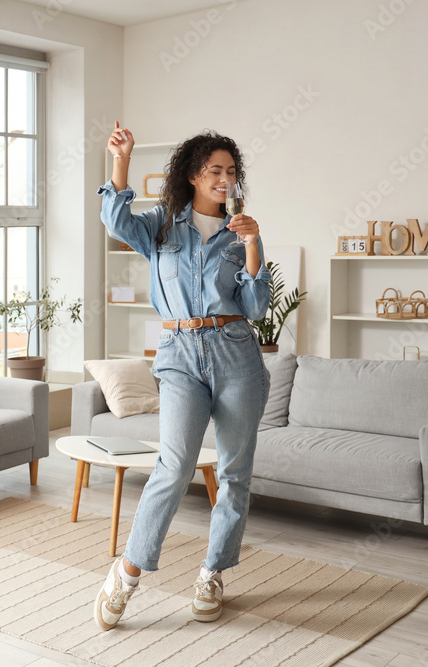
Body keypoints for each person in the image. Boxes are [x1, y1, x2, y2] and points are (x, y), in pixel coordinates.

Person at [93, 123, 271, 630]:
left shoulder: (241, 232)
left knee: (234, 474)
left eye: (231, 172)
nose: (224, 179)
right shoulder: (162, 225)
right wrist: (120, 161)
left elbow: (255, 306)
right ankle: (126, 573)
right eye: (215, 170)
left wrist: (255, 245)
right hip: (178, 356)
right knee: (173, 466)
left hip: (236, 354)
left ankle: (212, 572)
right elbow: (114, 221)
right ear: (194, 175)